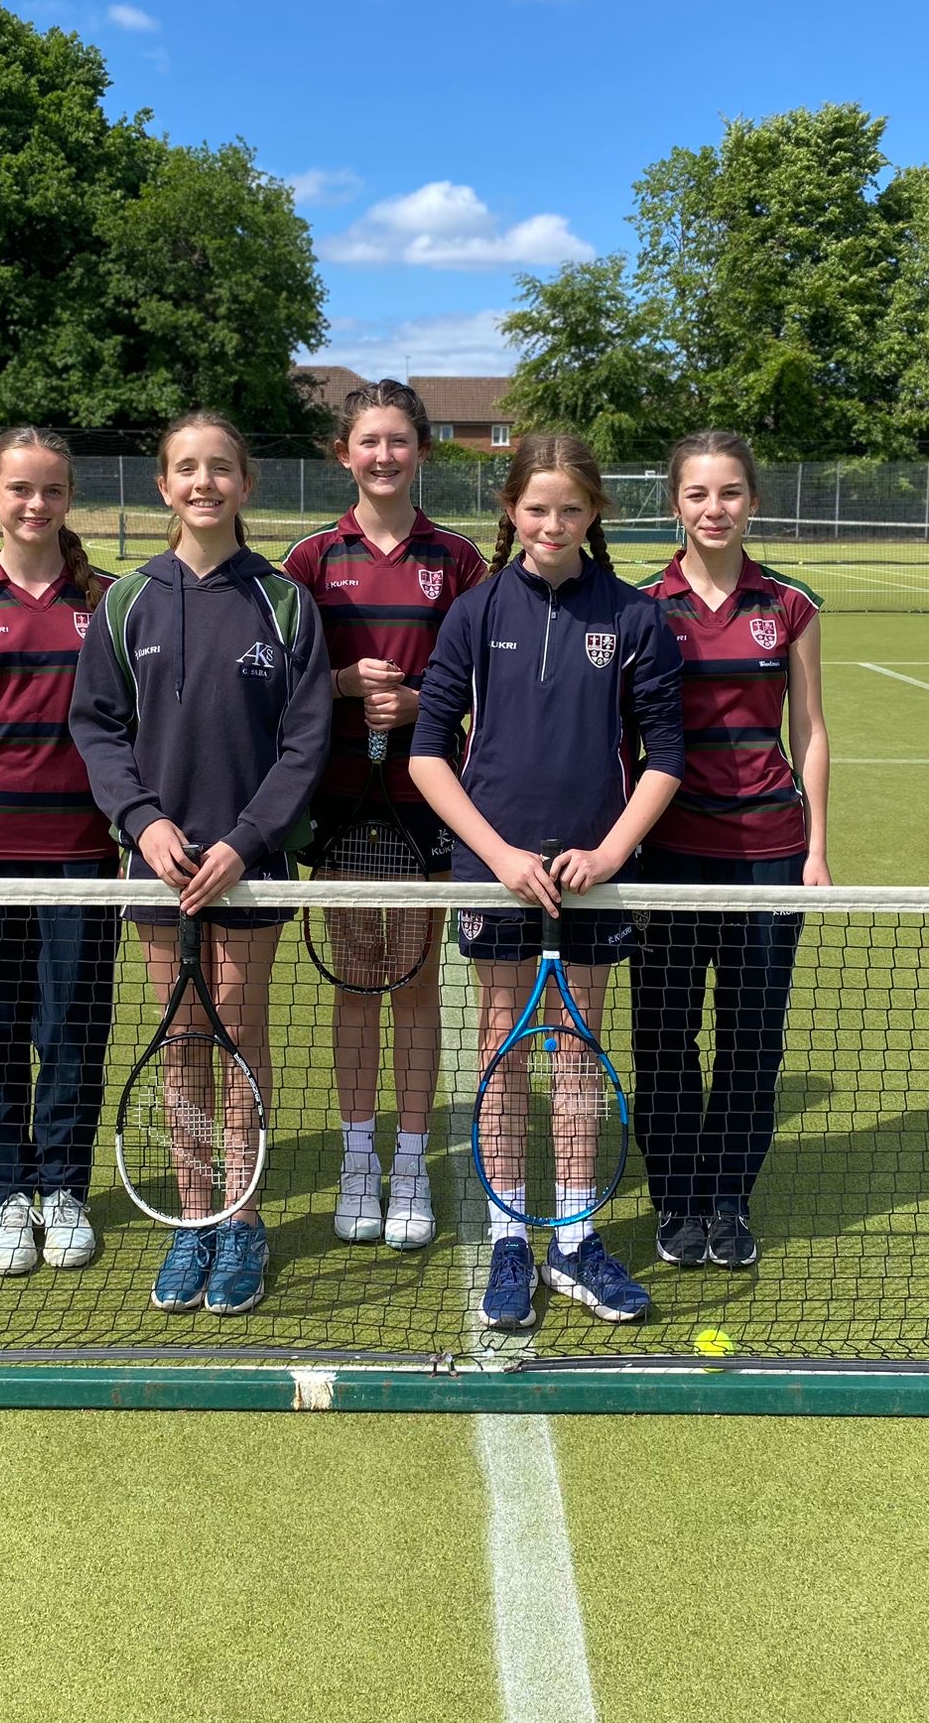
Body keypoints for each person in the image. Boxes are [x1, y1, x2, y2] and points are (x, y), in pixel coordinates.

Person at [409, 432, 684, 1330]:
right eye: (537, 508)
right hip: (497, 876)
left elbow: (665, 759)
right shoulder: (475, 613)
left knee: (578, 1053)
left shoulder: (636, 618)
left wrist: (607, 855)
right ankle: (508, 1240)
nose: (553, 524)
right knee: (505, 1049)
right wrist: (497, 855)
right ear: (511, 512)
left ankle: (573, 1237)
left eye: (570, 509)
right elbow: (427, 756)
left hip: (592, 880)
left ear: (594, 513)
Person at [69, 410, 331, 1319]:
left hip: (248, 867)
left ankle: (244, 1218)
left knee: (239, 1033)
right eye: (187, 468)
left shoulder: (285, 601)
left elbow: (306, 742)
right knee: (180, 1041)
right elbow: (97, 728)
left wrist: (245, 841)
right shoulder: (127, 599)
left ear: (245, 484)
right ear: (163, 485)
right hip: (157, 868)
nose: (204, 483)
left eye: (221, 468)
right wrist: (142, 825)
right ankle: (194, 1217)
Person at [284, 380, 486, 1251]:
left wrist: (419, 709)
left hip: (429, 809)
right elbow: (281, 687)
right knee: (358, 980)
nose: (383, 456)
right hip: (337, 806)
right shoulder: (309, 561)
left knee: (411, 981)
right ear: (345, 453)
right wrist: (338, 685)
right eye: (368, 441)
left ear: (421, 452)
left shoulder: (462, 561)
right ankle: (358, 1157)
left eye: (399, 441)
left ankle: (411, 1163)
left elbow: (491, 684)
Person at [0, 425, 120, 1277]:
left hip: (83, 855)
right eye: (19, 489)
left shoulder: (111, 600)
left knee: (72, 1030)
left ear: (68, 499)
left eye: (51, 491)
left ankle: (63, 1191)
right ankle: (6, 1198)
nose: (34, 505)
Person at [631, 429, 831, 1273]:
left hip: (768, 852)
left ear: (754, 500)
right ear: (674, 503)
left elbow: (812, 730)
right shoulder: (639, 604)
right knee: (665, 1035)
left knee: (753, 1038)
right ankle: (675, 1201)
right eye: (698, 495)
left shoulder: (789, 603)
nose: (715, 510)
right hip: (667, 854)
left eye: (731, 493)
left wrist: (816, 848)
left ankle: (727, 1199)